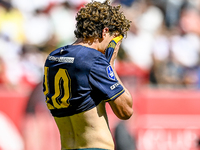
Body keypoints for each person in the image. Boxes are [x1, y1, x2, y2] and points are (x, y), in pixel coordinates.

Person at [43, 0, 133, 150]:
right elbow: (126, 111)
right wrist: (110, 64)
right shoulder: (93, 59)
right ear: (105, 32)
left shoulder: (52, 58)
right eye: (114, 39)